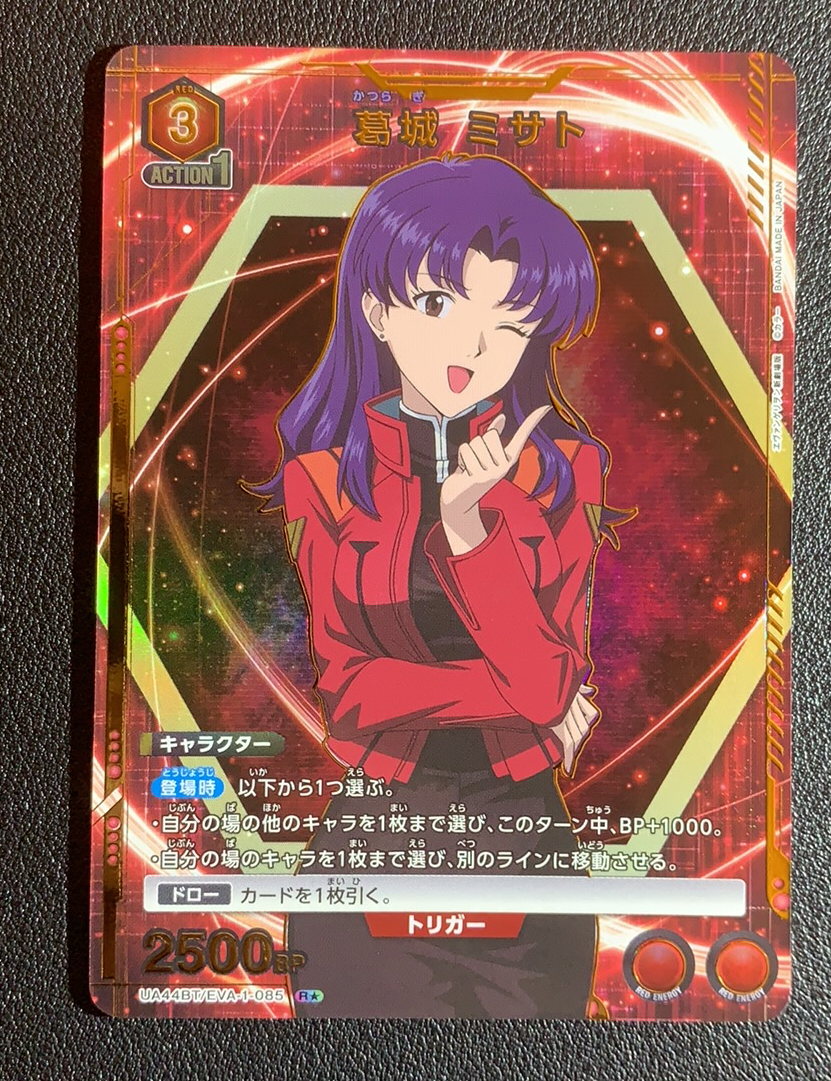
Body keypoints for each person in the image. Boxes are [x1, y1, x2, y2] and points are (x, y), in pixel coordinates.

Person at [248, 154, 626, 1017]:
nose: (472, 347)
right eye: (437, 303)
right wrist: (522, 697)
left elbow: (547, 679)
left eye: (510, 324)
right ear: (377, 309)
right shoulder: (323, 481)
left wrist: (467, 531)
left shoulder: (566, 472)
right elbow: (352, 693)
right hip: (374, 841)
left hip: (524, 850)